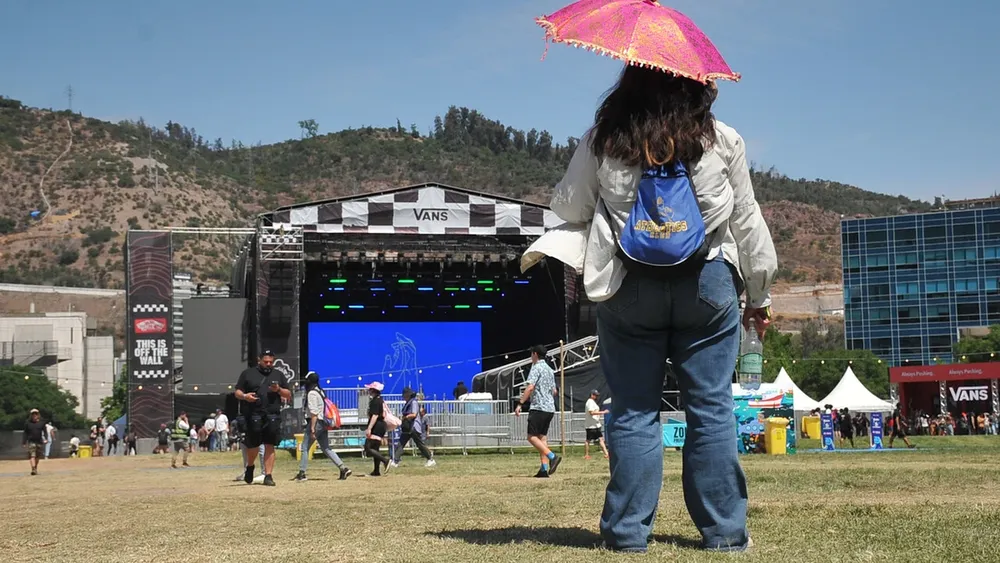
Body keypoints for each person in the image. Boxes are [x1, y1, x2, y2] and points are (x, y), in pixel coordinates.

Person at [529, 66, 777, 551]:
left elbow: (570, 209)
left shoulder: (606, 138)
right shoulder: (723, 139)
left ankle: (626, 536)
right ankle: (725, 535)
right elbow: (748, 221)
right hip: (707, 282)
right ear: (694, 84)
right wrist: (760, 297)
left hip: (628, 284)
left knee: (634, 410)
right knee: (710, 408)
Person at [234, 350, 291, 486]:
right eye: (265, 362)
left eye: (271, 362)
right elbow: (237, 391)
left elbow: (288, 393)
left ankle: (268, 475)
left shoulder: (278, 374)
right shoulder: (248, 374)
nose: (268, 364)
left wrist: (278, 390)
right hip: (253, 414)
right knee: (253, 445)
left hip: (272, 415)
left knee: (269, 445)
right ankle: (250, 466)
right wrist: (245, 397)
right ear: (259, 360)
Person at [513, 345, 562, 478]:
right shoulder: (550, 370)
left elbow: (530, 387)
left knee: (531, 437)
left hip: (538, 407)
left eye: (531, 354)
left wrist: (520, 403)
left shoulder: (536, 368)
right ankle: (543, 469)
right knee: (542, 438)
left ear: (535, 354)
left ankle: (553, 457)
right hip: (550, 408)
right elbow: (554, 391)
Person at [294, 371, 353, 481]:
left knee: (305, 447)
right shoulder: (320, 391)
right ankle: (343, 468)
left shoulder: (311, 393)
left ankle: (302, 473)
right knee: (326, 448)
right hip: (323, 423)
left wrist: (312, 428)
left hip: (316, 423)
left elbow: (314, 412)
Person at [391, 387, 435, 468]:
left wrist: (405, 417)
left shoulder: (414, 402)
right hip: (407, 428)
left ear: (408, 395)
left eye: (404, 395)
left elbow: (414, 414)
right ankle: (395, 461)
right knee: (401, 443)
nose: (403, 397)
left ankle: (430, 459)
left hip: (414, 427)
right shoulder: (408, 403)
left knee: (420, 444)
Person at [363, 381, 392, 476]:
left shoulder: (375, 401)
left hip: (377, 425)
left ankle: (385, 460)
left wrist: (369, 428)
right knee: (375, 448)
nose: (369, 391)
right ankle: (376, 470)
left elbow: (375, 415)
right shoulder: (381, 400)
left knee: (368, 447)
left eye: (370, 389)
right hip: (381, 425)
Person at [584, 390, 610, 460]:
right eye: (595, 395)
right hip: (591, 425)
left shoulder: (593, 402)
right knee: (588, 440)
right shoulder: (589, 402)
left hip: (596, 425)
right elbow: (591, 412)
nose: (596, 396)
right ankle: (586, 455)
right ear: (592, 395)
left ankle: (606, 454)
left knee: (601, 439)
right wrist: (603, 412)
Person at [23, 409, 47, 475]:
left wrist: (46, 439)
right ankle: (33, 468)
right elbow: (25, 433)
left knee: (37, 457)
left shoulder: (42, 423)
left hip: (39, 441)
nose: (34, 415)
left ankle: (35, 467)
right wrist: (24, 442)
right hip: (31, 441)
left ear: (38, 415)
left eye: (36, 414)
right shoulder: (27, 423)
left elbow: (45, 432)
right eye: (33, 414)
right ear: (31, 415)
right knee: (32, 456)